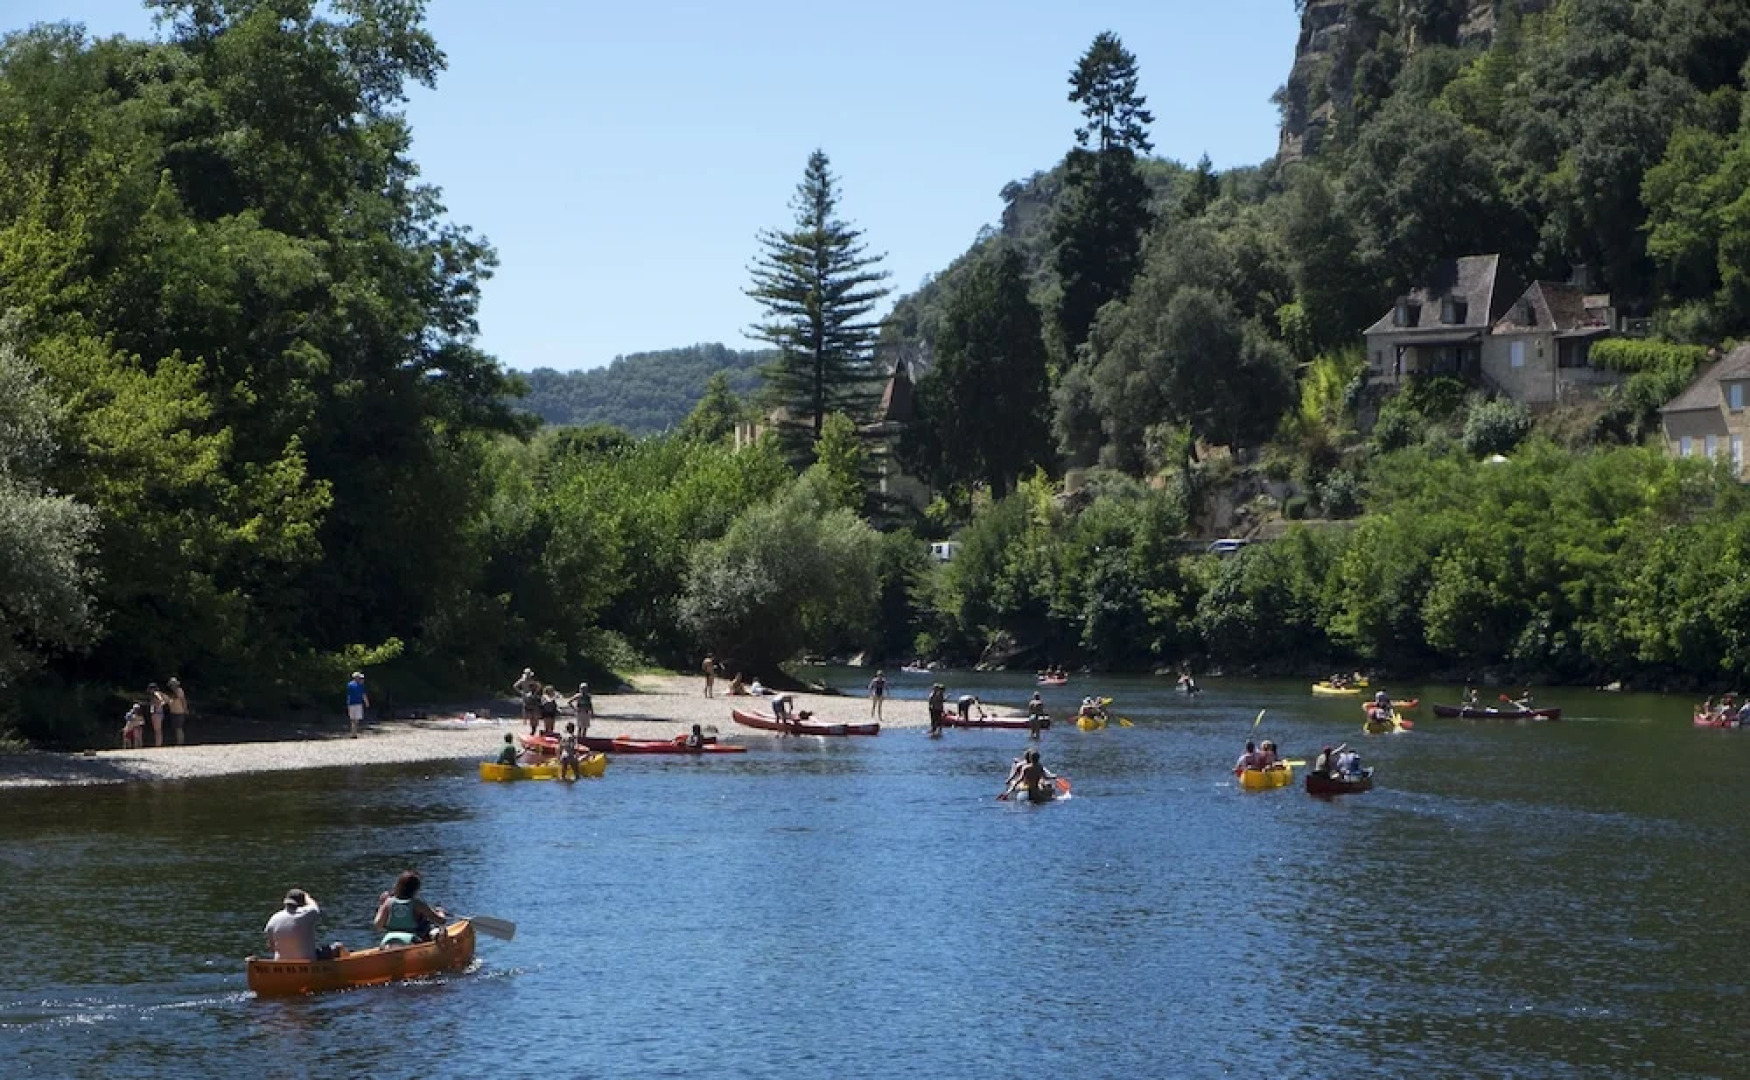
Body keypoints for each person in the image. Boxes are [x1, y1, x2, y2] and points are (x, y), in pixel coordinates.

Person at [374, 870, 447, 947]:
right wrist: (441, 913)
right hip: (411, 941)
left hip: (388, 941)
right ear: (416, 888)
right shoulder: (417, 904)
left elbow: (378, 924)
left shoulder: (388, 902)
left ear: (398, 885)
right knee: (439, 930)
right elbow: (441, 921)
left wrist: (382, 906)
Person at [264, 889, 338, 961]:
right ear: (302, 903)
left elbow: (271, 948)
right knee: (338, 946)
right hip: (307, 962)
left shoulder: (273, 918)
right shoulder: (307, 914)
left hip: (280, 964)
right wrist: (307, 896)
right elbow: (314, 906)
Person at [514, 668, 541, 735]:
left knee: (533, 713)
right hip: (527, 698)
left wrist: (534, 693)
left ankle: (532, 727)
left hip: (532, 698)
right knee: (529, 711)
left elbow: (539, 686)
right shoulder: (523, 680)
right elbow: (515, 686)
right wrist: (522, 692)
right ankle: (526, 721)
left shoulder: (532, 680)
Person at [166, 677, 190, 745]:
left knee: (179, 728)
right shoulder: (173, 692)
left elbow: (183, 700)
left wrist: (185, 709)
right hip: (174, 712)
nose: (171, 686)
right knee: (177, 728)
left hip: (179, 711)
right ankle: (179, 742)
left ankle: (180, 742)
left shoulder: (179, 691)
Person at [345, 671, 370, 738]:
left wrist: (347, 703)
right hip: (358, 703)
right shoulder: (361, 685)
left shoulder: (349, 684)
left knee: (352, 719)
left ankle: (353, 733)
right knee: (356, 720)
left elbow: (348, 695)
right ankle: (354, 733)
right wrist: (367, 702)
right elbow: (363, 695)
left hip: (351, 703)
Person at [145, 682, 168, 747]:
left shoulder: (156, 693)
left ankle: (158, 744)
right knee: (157, 730)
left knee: (158, 730)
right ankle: (158, 743)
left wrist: (158, 705)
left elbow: (162, 700)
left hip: (157, 713)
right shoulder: (154, 694)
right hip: (156, 713)